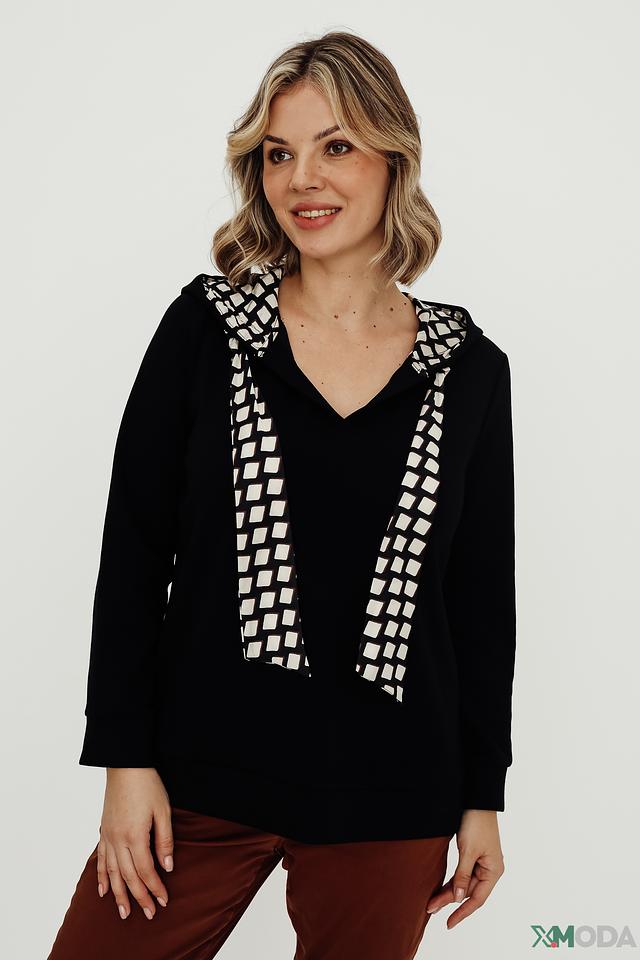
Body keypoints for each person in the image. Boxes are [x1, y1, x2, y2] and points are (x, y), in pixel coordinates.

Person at [47, 29, 517, 960]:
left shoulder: (470, 368)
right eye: (277, 153)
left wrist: (481, 798)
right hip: (195, 781)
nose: (303, 178)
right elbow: (134, 550)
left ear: (394, 158)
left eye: (335, 145)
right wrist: (124, 761)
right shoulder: (205, 329)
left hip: (393, 795)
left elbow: (479, 603)